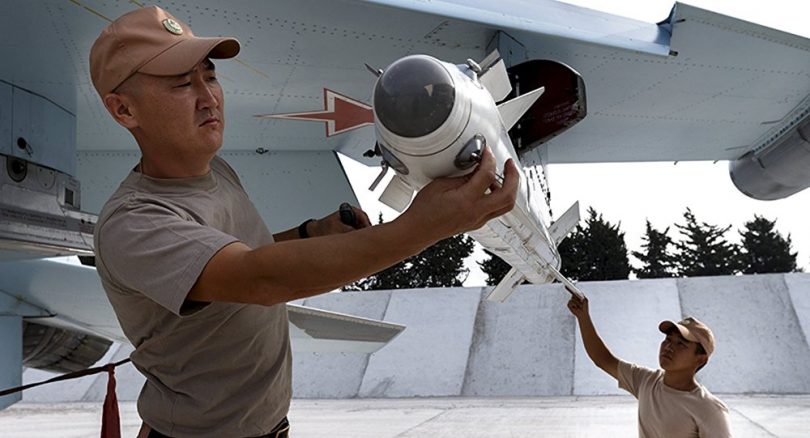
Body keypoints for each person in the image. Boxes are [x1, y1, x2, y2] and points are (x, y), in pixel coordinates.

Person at [88, 6, 518, 438]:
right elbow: (257, 279)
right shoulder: (133, 223)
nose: (209, 97)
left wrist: (310, 234)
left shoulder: (215, 172)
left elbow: (229, 261)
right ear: (123, 110)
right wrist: (423, 227)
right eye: (183, 84)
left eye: (210, 76)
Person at [567, 295, 732, 437]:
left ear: (700, 359)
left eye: (681, 344)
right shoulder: (646, 380)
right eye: (668, 339)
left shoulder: (710, 410)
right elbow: (602, 359)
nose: (668, 347)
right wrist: (583, 317)